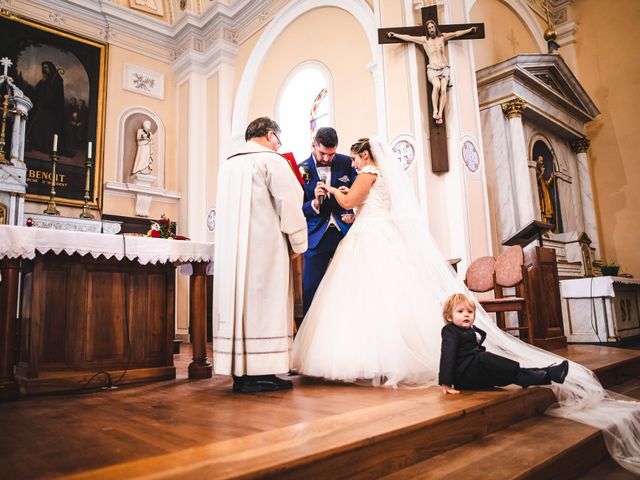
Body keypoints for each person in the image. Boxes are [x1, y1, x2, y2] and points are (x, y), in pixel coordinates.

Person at [293, 136, 640, 473]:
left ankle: (381, 360)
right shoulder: (376, 175)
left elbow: (351, 201)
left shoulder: (369, 173)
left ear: (367, 155)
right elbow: (361, 206)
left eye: (356, 156)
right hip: (373, 235)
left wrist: (334, 192)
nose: (352, 162)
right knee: (378, 300)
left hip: (371, 239)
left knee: (372, 297)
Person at [212, 117, 308, 394]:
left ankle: (242, 373)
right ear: (269, 135)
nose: (279, 145)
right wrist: (298, 243)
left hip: (233, 252)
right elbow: (289, 202)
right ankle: (261, 372)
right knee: (265, 304)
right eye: (279, 139)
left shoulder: (227, 166)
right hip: (264, 247)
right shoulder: (272, 161)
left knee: (240, 308)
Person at [439, 293, 568, 394]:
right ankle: (542, 374)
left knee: (505, 372)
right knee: (485, 357)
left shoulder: (471, 329)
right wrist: (446, 382)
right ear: (449, 317)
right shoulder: (450, 331)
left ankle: (549, 374)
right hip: (464, 376)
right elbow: (447, 356)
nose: (466, 315)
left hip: (476, 373)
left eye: (470, 312)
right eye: (460, 312)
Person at [298, 127, 357, 320]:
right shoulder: (301, 168)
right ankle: (309, 336)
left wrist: (348, 199)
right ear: (313, 144)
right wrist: (314, 202)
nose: (327, 159)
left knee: (349, 284)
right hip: (316, 236)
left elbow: (359, 192)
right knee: (310, 288)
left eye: (331, 154)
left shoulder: (347, 162)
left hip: (344, 232)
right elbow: (298, 207)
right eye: (323, 153)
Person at [388, 21, 476, 124]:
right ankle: (435, 110)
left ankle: (440, 114)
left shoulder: (442, 37)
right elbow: (409, 37)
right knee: (437, 86)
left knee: (443, 90)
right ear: (427, 30)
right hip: (433, 68)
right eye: (429, 28)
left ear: (435, 27)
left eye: (432, 27)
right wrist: (395, 35)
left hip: (444, 67)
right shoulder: (425, 40)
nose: (431, 29)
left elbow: (456, 33)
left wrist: (469, 30)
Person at [27, 61, 66, 154]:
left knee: (48, 129)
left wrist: (45, 101)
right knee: (40, 127)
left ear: (51, 68)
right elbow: (38, 91)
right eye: (44, 68)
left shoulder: (57, 79)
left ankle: (46, 147)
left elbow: (54, 94)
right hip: (43, 108)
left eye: (46, 67)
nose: (45, 69)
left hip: (52, 110)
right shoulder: (45, 79)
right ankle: (38, 145)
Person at [536, 155, 554, 224]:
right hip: (541, 195)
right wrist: (542, 173)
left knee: (547, 211)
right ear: (536, 161)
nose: (541, 162)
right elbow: (536, 181)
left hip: (545, 195)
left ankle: (548, 226)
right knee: (542, 210)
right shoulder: (536, 172)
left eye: (542, 160)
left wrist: (551, 178)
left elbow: (546, 184)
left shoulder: (541, 175)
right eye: (540, 160)